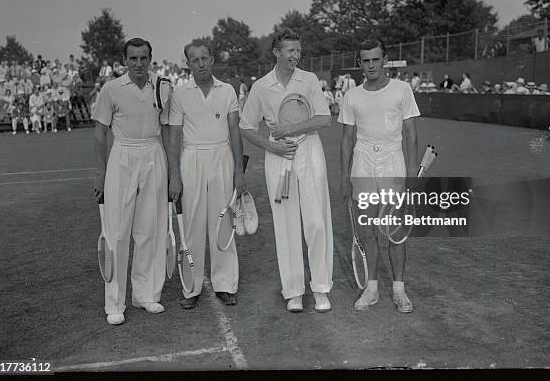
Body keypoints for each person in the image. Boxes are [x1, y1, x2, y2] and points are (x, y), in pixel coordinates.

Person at [239, 28, 333, 313]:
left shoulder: (310, 79)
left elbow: (324, 118)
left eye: (298, 50)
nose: (296, 55)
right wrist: (273, 147)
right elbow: (245, 127)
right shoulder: (261, 86)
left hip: (309, 152)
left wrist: (290, 129)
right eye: (290, 51)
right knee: (286, 222)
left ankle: (320, 288)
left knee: (316, 222)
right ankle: (293, 290)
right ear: (276, 53)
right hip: (278, 157)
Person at [92, 38, 173, 325]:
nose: (139, 64)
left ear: (151, 58)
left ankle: (145, 294)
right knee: (117, 231)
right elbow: (101, 132)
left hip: (153, 153)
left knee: (149, 228)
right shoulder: (111, 89)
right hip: (122, 156)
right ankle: (114, 304)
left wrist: (171, 169)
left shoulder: (163, 86)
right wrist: (101, 172)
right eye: (133, 58)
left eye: (143, 58)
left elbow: (166, 131)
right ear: (124, 60)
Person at [339, 38, 420, 312]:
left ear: (385, 59)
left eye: (376, 59)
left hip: (392, 162)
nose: (371, 65)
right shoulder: (351, 96)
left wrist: (410, 173)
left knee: (395, 232)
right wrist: (344, 177)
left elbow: (410, 134)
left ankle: (399, 290)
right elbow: (347, 140)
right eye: (366, 60)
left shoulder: (402, 90)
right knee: (367, 231)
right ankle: (371, 288)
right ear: (359, 63)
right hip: (362, 164)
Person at [167, 43, 246, 310]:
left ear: (212, 60)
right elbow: (174, 137)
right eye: (194, 60)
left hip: (222, 157)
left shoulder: (228, 91)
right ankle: (191, 286)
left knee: (223, 222)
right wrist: (174, 176)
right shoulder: (180, 94)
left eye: (204, 58)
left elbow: (235, 130)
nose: (200, 64)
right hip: (192, 160)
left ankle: (226, 284)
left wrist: (238, 171)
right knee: (192, 224)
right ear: (188, 63)